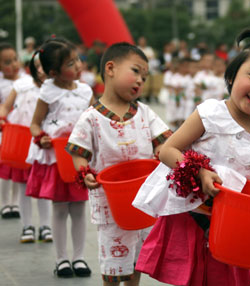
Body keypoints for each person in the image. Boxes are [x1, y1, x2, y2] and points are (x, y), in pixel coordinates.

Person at [132, 28, 250, 286]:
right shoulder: (210, 113)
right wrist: (198, 172)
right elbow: (167, 150)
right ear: (231, 76)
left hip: (231, 228)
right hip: (192, 218)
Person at [66, 42, 172, 286]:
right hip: (111, 204)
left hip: (143, 201)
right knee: (114, 264)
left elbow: (165, 142)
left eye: (144, 77)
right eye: (135, 71)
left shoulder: (145, 112)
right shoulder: (91, 117)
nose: (140, 81)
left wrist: (160, 150)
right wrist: (84, 172)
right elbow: (78, 150)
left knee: (137, 261)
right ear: (110, 68)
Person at [26, 38, 94, 278]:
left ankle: (79, 257)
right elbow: (35, 124)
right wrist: (41, 137)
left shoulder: (86, 90)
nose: (77, 66)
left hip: (79, 157)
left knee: (78, 207)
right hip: (56, 157)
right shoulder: (48, 91)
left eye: (77, 60)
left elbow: (94, 120)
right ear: (53, 72)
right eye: (70, 63)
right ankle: (61, 259)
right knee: (60, 208)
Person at [0, 53, 52, 243]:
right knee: (23, 187)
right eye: (37, 66)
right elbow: (5, 107)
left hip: (45, 145)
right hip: (22, 142)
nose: (40, 69)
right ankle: (27, 226)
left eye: (44, 65)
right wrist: (2, 116)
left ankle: (46, 226)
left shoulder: (54, 89)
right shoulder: (21, 85)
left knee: (44, 187)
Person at [0, 42, 24, 219]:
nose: (13, 65)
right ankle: (4, 203)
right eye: (7, 62)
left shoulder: (26, 80)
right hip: (4, 129)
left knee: (18, 166)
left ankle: (15, 203)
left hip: (21, 130)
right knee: (4, 168)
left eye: (15, 59)